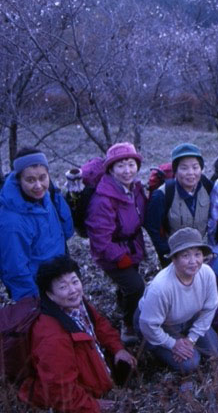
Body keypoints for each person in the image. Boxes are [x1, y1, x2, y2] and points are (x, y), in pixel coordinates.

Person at [19, 256, 137, 413]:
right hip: (84, 396)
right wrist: (94, 405)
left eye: (75, 282)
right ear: (49, 294)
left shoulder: (78, 305)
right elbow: (60, 390)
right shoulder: (51, 337)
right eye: (63, 287)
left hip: (98, 375)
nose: (73, 290)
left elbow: (100, 325)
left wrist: (117, 349)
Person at [0, 147, 74, 300]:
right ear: (18, 180)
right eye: (30, 180)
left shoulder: (47, 197)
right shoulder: (12, 222)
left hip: (58, 277)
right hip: (37, 289)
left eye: (42, 177)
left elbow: (64, 232)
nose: (38, 186)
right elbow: (16, 270)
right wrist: (33, 302)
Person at [134, 228, 218, 373]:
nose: (193, 261)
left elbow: (210, 307)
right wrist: (173, 344)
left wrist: (191, 339)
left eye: (197, 254)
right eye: (185, 255)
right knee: (191, 363)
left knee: (215, 351)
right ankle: (156, 350)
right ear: (174, 259)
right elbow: (148, 324)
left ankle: (184, 337)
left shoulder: (207, 273)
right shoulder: (161, 287)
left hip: (188, 317)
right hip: (158, 324)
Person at [85, 142, 147, 344]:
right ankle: (128, 326)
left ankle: (123, 306)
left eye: (131, 164)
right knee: (136, 286)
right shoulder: (103, 199)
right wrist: (120, 257)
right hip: (112, 254)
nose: (127, 171)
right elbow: (100, 239)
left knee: (128, 285)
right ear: (111, 169)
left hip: (132, 247)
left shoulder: (135, 189)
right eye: (120, 166)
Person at [145, 143, 212, 267]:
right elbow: (152, 227)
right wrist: (165, 251)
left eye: (195, 167)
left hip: (198, 251)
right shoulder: (163, 195)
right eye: (184, 168)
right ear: (175, 171)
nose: (191, 173)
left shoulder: (206, 186)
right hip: (173, 253)